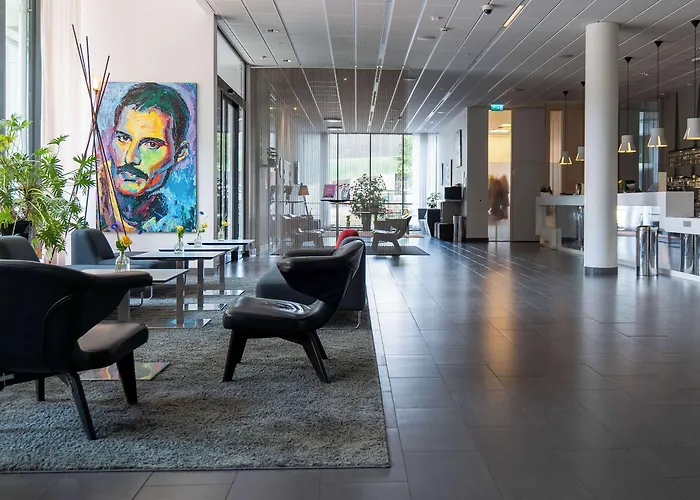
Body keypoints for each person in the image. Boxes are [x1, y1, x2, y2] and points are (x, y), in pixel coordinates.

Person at [98, 83, 194, 232]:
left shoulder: (170, 212)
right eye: (123, 138)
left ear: (179, 153)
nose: (130, 158)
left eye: (151, 144)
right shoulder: (93, 198)